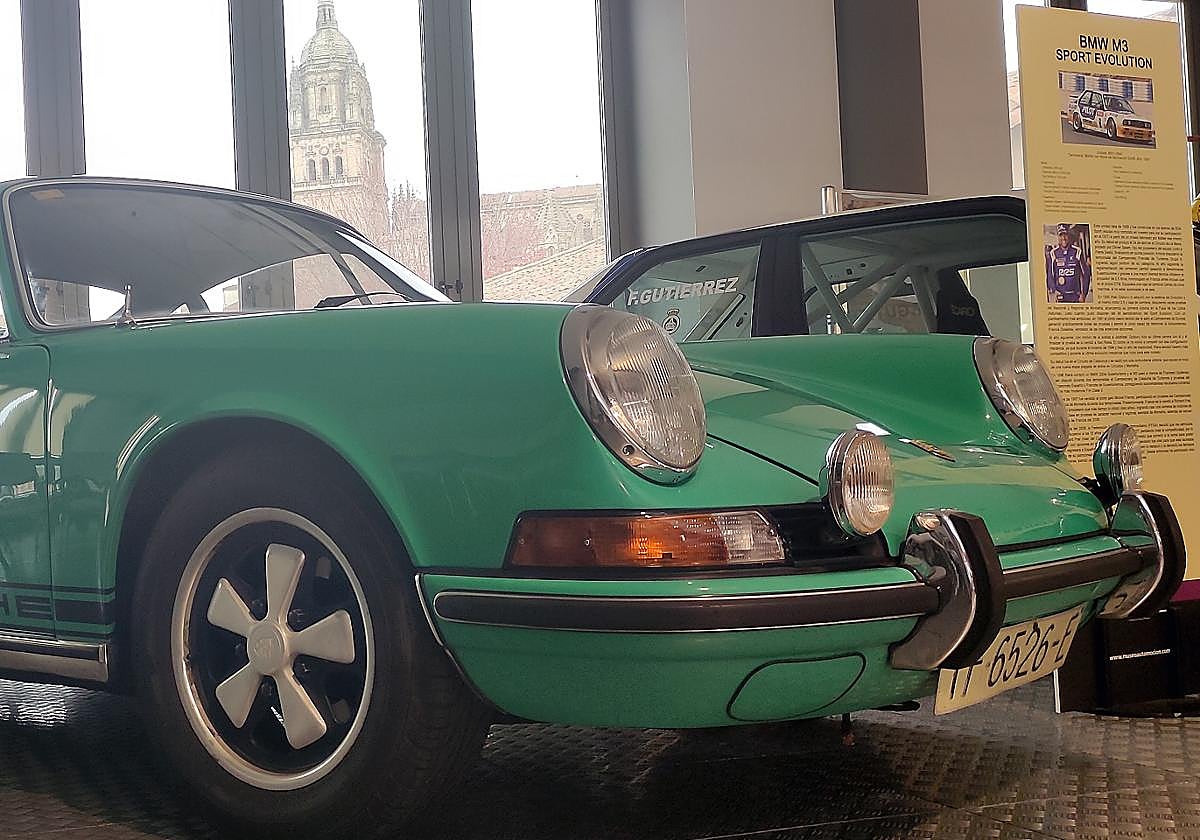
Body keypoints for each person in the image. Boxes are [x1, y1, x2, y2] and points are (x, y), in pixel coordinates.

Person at [1046, 224, 1091, 303]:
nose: (1063, 238)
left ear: (1068, 235)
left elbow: (1086, 274)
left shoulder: (1077, 251)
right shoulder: (1053, 253)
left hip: (1076, 297)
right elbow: (1050, 275)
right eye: (1061, 235)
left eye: (1065, 235)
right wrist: (1054, 290)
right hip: (1060, 297)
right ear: (1058, 237)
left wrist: (1083, 294)